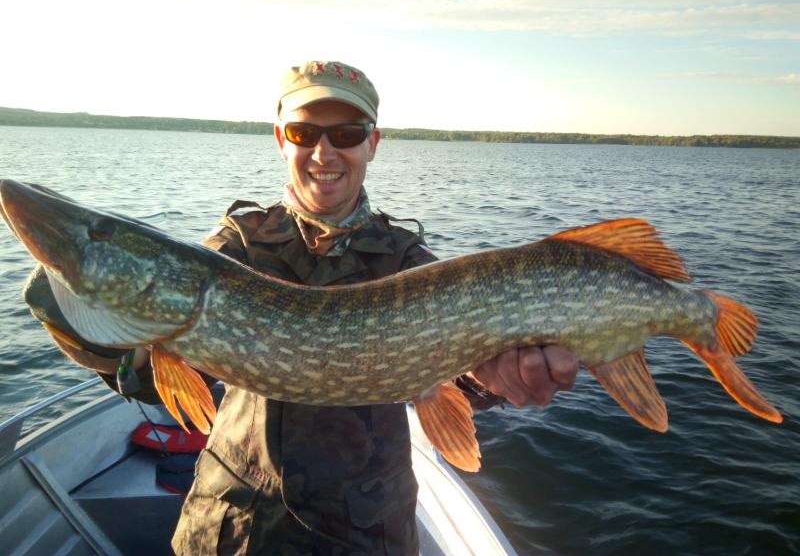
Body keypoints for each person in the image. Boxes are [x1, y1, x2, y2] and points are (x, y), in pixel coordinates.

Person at [24, 60, 579, 555]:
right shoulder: (236, 245)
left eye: (346, 134)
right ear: (281, 140)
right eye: (304, 132)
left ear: (372, 144)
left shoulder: (408, 260)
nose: (324, 152)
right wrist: (94, 334)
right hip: (235, 529)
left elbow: (459, 380)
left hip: (367, 536)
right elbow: (147, 377)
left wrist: (496, 379)